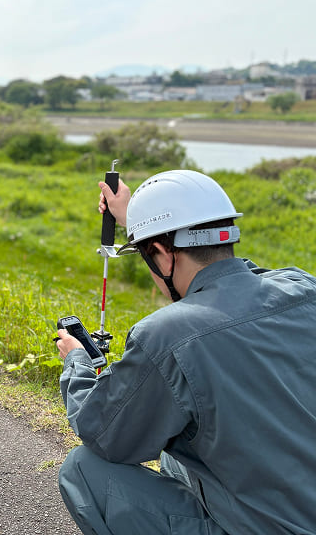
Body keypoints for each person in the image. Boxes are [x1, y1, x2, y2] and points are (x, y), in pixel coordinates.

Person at [54, 169, 316, 535]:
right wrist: (141, 223)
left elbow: (100, 431)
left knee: (83, 469)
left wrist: (77, 361)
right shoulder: (303, 286)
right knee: (177, 453)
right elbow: (237, 278)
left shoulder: (167, 335)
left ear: (162, 256)